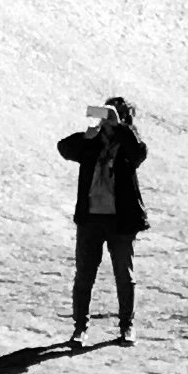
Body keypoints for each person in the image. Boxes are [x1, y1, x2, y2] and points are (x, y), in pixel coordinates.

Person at [61, 98, 147, 345]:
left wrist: (121, 129)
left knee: (124, 275)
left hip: (121, 221)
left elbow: (138, 154)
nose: (107, 121)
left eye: (113, 116)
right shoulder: (93, 142)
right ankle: (80, 329)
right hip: (91, 219)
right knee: (84, 275)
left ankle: (127, 327)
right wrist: (88, 136)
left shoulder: (129, 144)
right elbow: (64, 148)